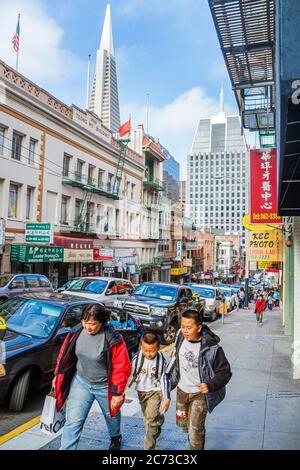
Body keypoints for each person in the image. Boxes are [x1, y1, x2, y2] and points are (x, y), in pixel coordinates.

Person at [52, 304, 131, 451]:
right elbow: (64, 355)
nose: (88, 327)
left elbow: (122, 366)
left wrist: (117, 393)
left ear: (101, 322)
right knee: (73, 422)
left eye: (92, 324)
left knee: (111, 415)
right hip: (81, 382)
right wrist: (57, 374)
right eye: (85, 322)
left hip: (104, 386)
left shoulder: (112, 337)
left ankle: (115, 436)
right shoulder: (76, 332)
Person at [167, 308, 232, 450]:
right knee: (184, 426)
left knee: (196, 430)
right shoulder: (179, 336)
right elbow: (177, 355)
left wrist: (211, 385)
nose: (184, 330)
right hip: (181, 392)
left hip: (200, 394)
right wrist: (175, 353)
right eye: (183, 326)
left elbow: (225, 372)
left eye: (189, 327)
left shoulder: (212, 349)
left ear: (199, 327)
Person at [127, 331, 171, 450]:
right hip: (141, 391)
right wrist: (121, 391)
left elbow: (164, 379)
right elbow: (129, 374)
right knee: (148, 418)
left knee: (150, 420)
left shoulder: (161, 360)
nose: (149, 354)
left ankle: (149, 447)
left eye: (152, 351)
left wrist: (167, 397)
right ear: (141, 346)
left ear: (158, 347)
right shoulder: (137, 358)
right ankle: (159, 419)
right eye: (146, 350)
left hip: (155, 391)